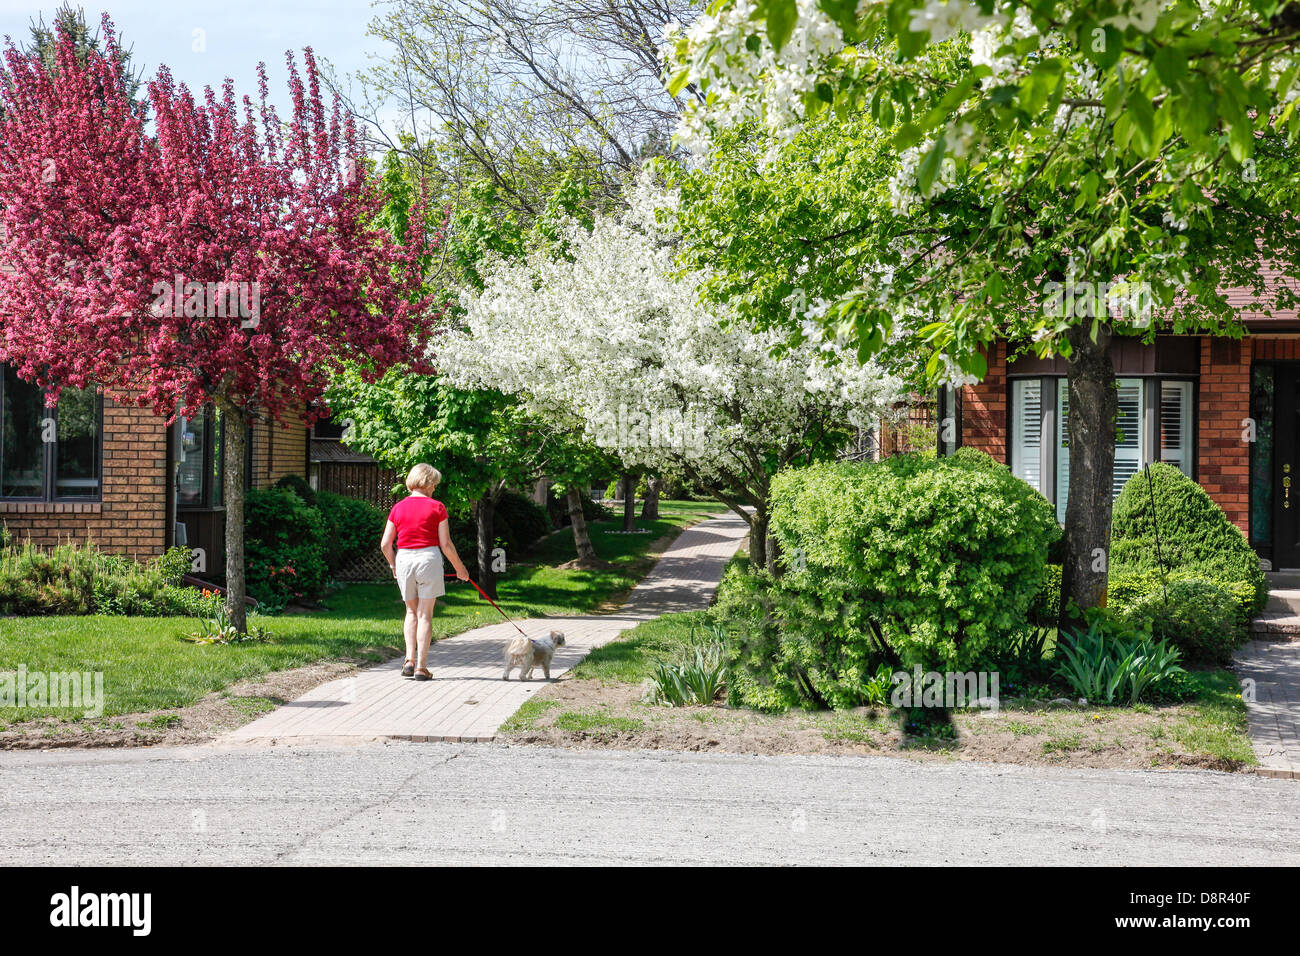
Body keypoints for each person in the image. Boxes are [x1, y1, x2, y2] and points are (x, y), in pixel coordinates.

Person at [380, 463, 469, 681]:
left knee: (410, 612)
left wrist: (393, 566)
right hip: (428, 558)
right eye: (435, 484)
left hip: (404, 559)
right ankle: (421, 667)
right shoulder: (437, 507)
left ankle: (408, 660)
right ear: (428, 483)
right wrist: (460, 569)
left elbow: (385, 544)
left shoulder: (398, 507)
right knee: (425, 614)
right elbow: (446, 544)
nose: (435, 489)